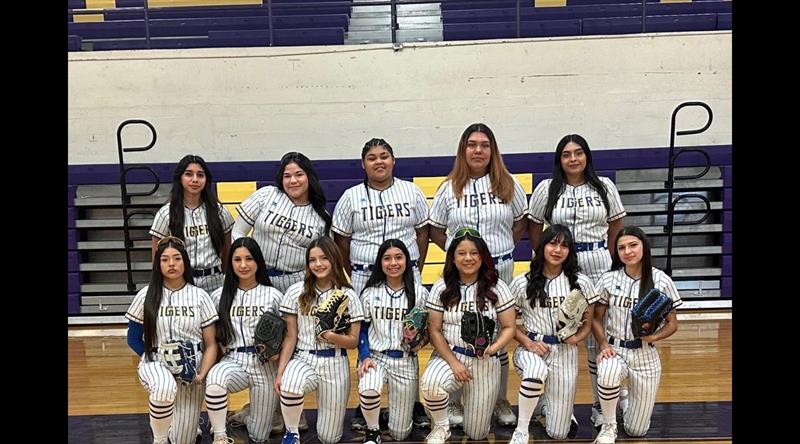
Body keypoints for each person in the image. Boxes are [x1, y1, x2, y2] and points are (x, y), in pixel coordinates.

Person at [428, 123, 527, 426]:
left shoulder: (508, 184)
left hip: (499, 268)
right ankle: (454, 400)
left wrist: (496, 251)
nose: (478, 150)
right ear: (463, 150)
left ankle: (499, 400)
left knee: (498, 333)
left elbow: (521, 223)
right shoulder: (448, 188)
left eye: (484, 145)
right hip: (462, 273)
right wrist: (462, 256)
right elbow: (436, 230)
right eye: (472, 145)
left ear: (492, 150)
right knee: (459, 330)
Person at [527, 134, 627, 426]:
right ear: (559, 159)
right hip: (559, 263)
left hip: (597, 261)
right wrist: (545, 258)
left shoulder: (604, 186)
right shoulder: (547, 188)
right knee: (556, 332)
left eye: (578, 153)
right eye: (566, 154)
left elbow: (616, 224)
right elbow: (534, 227)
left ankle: (601, 404)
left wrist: (612, 260)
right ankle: (553, 402)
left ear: (587, 156)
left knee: (597, 336)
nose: (573, 159)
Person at [331, 138, 431, 429]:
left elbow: (422, 232)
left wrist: (416, 266)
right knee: (367, 331)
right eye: (372, 157)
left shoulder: (411, 191)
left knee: (408, 333)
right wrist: (351, 272)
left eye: (384, 156)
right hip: (364, 273)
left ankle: (412, 402)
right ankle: (366, 403)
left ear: (393, 160)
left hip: (406, 272)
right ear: (363, 164)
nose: (379, 161)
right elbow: (341, 240)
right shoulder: (350, 197)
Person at [420, 228, 517, 443]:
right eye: (461, 253)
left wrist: (494, 348)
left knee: (477, 433)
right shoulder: (442, 287)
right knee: (431, 384)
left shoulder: (497, 286)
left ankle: (475, 409)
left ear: (482, 256)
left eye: (474, 253)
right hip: (450, 356)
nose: (468, 258)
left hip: (485, 361)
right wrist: (454, 363)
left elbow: (509, 327)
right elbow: (434, 330)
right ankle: (441, 426)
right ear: (452, 258)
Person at [507, 225, 598, 443]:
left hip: (565, 351)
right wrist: (528, 343)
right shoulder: (522, 282)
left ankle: (547, 405)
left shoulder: (581, 282)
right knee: (535, 371)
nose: (558, 250)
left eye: (564, 245)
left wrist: (578, 338)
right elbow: (508, 324)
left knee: (558, 433)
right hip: (532, 348)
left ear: (570, 251)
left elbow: (589, 320)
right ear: (542, 246)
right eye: (553, 243)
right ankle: (521, 430)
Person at [591, 226, 682, 444]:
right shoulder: (608, 279)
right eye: (621, 248)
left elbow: (672, 324)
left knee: (636, 430)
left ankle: (624, 401)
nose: (627, 251)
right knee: (608, 372)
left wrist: (654, 337)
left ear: (644, 247)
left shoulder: (661, 280)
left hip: (645, 354)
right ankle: (609, 426)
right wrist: (603, 344)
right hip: (615, 349)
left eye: (633, 245)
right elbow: (595, 318)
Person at [125, 236, 219, 444]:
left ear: (185, 261)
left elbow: (211, 344)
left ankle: (181, 423)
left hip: (191, 366)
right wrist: (153, 357)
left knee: (183, 439)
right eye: (165, 259)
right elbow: (133, 339)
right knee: (164, 388)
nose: (171, 264)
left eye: (177, 258)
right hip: (156, 361)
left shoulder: (200, 296)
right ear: (158, 264)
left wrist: (201, 374)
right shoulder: (146, 295)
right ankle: (159, 440)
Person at [274, 237, 365, 444]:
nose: (318, 264)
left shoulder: (348, 295)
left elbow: (353, 342)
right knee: (290, 383)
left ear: (334, 259)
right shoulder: (296, 292)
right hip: (303, 357)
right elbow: (290, 337)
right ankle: (291, 433)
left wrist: (331, 336)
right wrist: (280, 372)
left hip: (335, 361)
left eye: (324, 258)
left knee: (329, 438)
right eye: (312, 260)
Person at [204, 237, 284, 443]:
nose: (243, 265)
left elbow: (287, 334)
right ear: (230, 262)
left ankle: (246, 416)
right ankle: (220, 435)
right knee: (215, 381)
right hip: (234, 360)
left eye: (249, 259)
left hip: (265, 364)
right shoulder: (219, 296)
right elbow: (212, 338)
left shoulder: (274, 296)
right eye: (237, 259)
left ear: (258, 261)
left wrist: (278, 353)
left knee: (259, 436)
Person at [356, 239, 431, 444]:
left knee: (400, 434)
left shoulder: (419, 293)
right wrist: (364, 356)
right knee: (369, 387)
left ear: (407, 260)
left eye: (398, 257)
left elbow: (428, 331)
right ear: (380, 263)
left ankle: (390, 414)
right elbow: (362, 329)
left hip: (405, 360)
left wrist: (419, 343)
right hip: (376, 357)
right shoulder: (370, 292)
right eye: (387, 258)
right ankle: (373, 431)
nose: (393, 263)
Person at [233, 151, 332, 293]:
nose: (293, 181)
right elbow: (238, 232)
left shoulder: (321, 216)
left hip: (297, 282)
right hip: (257, 276)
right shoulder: (267, 195)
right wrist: (246, 262)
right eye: (287, 176)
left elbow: (325, 257)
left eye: (299, 174)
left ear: (309, 177)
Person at [150, 154, 234, 294]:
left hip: (215, 282)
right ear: (180, 178)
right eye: (189, 174)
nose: (195, 179)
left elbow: (227, 251)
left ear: (206, 179)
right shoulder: (165, 214)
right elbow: (157, 256)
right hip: (181, 281)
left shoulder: (220, 212)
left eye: (200, 175)